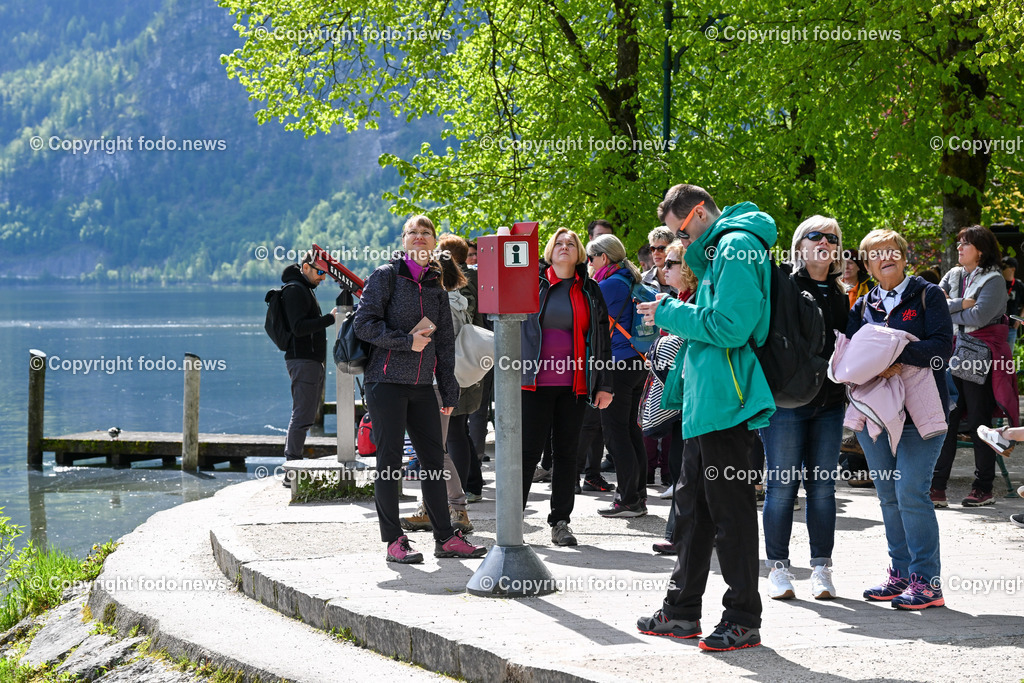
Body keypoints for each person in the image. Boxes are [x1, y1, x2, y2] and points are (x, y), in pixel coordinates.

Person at [636, 184, 776, 651]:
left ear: (696, 214)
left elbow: (731, 328)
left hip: (725, 400)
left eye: (680, 233)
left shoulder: (737, 246)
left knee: (730, 513)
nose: (680, 245)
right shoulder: (721, 248)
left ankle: (742, 618)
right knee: (692, 510)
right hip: (706, 400)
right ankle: (680, 611)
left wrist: (671, 313)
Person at [354, 215, 486, 564]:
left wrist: (449, 387)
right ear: (404, 239)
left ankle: (445, 538)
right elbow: (363, 324)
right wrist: (404, 342)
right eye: (413, 232)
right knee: (389, 463)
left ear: (433, 242)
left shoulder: (436, 283)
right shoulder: (386, 276)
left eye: (426, 233)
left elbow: (444, 342)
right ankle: (395, 540)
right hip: (385, 383)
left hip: (423, 386)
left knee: (433, 462)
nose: (420, 237)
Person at [844, 229, 952, 609]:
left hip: (921, 413)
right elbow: (854, 356)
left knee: (910, 492)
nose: (884, 256)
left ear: (905, 257)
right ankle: (901, 574)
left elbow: (941, 349)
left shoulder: (928, 294)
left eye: (891, 250)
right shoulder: (863, 305)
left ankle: (927, 582)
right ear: (868, 265)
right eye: (875, 253)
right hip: (877, 414)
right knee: (888, 496)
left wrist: (895, 355)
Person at [759, 216, 850, 601]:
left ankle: (821, 569)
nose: (825, 242)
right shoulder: (783, 286)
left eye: (832, 237)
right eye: (816, 236)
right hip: (786, 403)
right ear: (800, 245)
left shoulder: (842, 295)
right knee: (781, 487)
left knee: (822, 488)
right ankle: (778, 569)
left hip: (829, 404)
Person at [520, 228, 613, 546]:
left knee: (566, 454)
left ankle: (560, 522)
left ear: (580, 253)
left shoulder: (590, 289)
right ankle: (512, 520)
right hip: (532, 383)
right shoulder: (532, 285)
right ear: (549, 251)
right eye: (558, 243)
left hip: (574, 384)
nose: (564, 247)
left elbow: (602, 340)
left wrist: (604, 384)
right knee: (527, 453)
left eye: (570, 244)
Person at [400, 235, 483, 534]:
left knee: (434, 450)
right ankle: (436, 506)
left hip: (432, 380)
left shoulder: (439, 301)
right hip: (448, 379)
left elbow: (429, 341)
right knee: (435, 448)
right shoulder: (460, 298)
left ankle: (455, 509)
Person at [931, 225, 1012, 508]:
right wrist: (961, 303)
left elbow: (981, 314)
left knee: (979, 422)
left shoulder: (994, 279)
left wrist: (951, 309)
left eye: (965, 244)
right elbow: (932, 304)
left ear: (980, 249)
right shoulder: (953, 274)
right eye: (959, 243)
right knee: (946, 421)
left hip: (978, 355)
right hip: (948, 354)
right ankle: (936, 488)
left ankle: (983, 487)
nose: (959, 248)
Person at [588, 234, 651, 518]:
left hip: (616, 365)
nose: (588, 264)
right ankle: (637, 495)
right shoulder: (630, 280)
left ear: (603, 258)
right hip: (637, 362)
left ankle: (628, 499)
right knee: (630, 430)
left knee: (615, 435)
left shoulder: (608, 284)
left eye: (591, 258)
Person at [648, 239, 696, 555]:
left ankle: (683, 535)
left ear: (688, 268)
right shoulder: (678, 299)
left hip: (696, 400)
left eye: (671, 263)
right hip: (684, 400)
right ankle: (681, 534)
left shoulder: (693, 302)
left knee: (688, 468)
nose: (664, 268)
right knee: (684, 467)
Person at [280, 253, 338, 485]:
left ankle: (292, 466)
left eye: (326, 273)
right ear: (305, 267)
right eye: (320, 272)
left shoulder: (304, 289)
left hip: (309, 361)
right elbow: (298, 328)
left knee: (305, 413)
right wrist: (329, 319)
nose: (323, 278)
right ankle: (291, 470)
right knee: (302, 414)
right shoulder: (295, 290)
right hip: (302, 360)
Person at [641, 226, 679, 486]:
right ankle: (646, 473)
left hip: (676, 353)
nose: (656, 253)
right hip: (648, 352)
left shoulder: (684, 278)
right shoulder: (643, 280)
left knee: (670, 410)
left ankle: (668, 473)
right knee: (649, 409)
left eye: (661, 247)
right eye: (652, 248)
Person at [1002, 257, 1024, 347]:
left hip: (1011, 328)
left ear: (1013, 269)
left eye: (1004, 267)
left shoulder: (1019, 285)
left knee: (1008, 357)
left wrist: (1019, 319)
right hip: (997, 326)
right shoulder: (998, 282)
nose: (1001, 270)